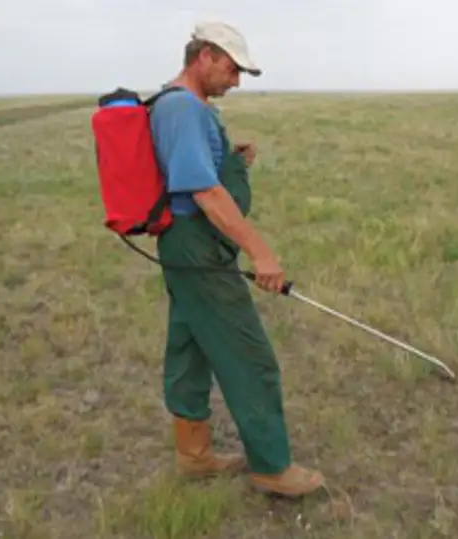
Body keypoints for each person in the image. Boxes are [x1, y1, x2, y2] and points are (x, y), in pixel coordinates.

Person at [147, 21, 326, 498]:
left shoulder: (183, 105)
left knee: (189, 345)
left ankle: (193, 455)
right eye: (231, 69)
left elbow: (199, 174)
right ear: (204, 56)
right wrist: (261, 253)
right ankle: (271, 466)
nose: (236, 80)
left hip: (187, 246)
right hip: (197, 246)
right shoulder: (183, 109)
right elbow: (204, 192)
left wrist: (233, 160)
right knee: (250, 357)